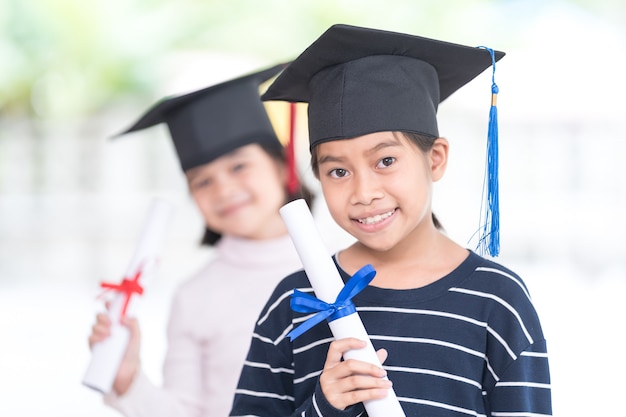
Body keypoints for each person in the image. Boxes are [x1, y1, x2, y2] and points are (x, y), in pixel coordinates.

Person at [229, 24, 552, 417]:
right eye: (338, 172)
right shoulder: (296, 301)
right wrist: (324, 407)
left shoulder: (498, 300)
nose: (363, 192)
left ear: (435, 159)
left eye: (385, 161)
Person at [88, 63, 313, 417]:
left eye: (239, 167)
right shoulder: (194, 296)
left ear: (282, 165)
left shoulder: (345, 265)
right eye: (202, 181)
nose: (223, 189)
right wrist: (129, 380)